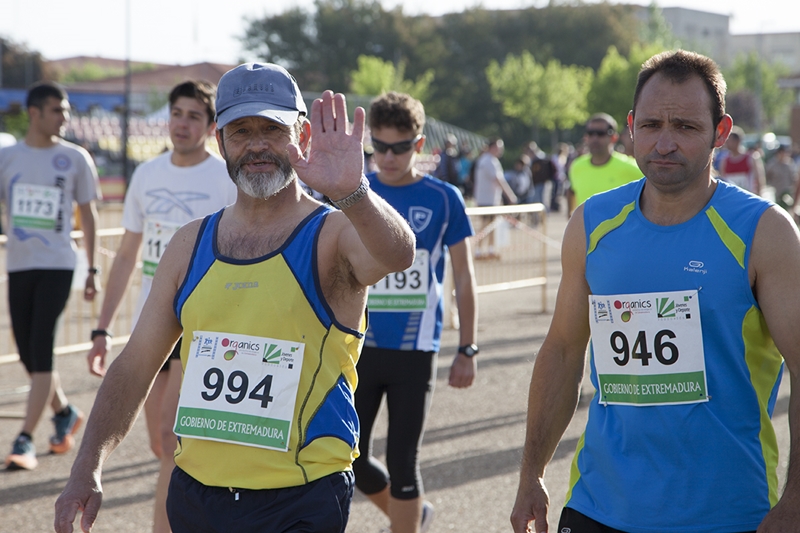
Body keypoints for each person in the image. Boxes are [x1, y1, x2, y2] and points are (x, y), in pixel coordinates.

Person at [55, 62, 416, 533]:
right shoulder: (189, 244)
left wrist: (354, 193)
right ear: (220, 140)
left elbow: (397, 254)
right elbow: (137, 362)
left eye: (273, 128)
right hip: (196, 491)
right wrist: (87, 464)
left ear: (302, 135)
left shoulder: (333, 233)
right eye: (241, 130)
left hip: (300, 494)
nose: (257, 144)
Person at [511, 49, 800, 533]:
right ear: (630, 127)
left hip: (725, 513)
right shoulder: (592, 223)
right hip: (599, 505)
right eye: (650, 126)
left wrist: (795, 500)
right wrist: (530, 473)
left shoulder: (764, 232)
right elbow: (562, 351)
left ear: (720, 132)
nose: (664, 143)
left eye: (685, 127)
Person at [86, 80, 237, 533]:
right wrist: (102, 329)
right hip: (154, 328)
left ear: (211, 127)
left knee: (172, 442)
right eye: (176, 113)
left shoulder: (225, 177)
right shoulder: (147, 175)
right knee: (162, 446)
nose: (182, 123)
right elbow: (128, 256)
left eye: (194, 116)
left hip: (203, 329)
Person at [354, 91, 479, 533]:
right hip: (358, 346)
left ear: (419, 145)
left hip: (414, 349)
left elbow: (463, 276)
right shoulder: (354, 194)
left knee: (403, 462)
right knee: (349, 456)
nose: (388, 157)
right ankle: (413, 516)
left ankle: (406, 520)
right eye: (379, 146)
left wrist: (468, 347)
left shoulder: (444, 198)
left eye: (399, 147)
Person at [0, 81, 101, 471]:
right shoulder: (8, 157)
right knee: (27, 351)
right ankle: (64, 412)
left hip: (59, 264)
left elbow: (89, 215)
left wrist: (91, 269)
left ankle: (24, 438)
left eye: (67, 110)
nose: (66, 117)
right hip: (19, 264)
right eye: (57, 110)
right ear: (34, 113)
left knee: (42, 349)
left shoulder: (75, 158)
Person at [566, 113, 642, 215]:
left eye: (600, 133)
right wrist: (571, 217)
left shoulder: (632, 167)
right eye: (590, 133)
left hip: (622, 230)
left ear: (614, 137)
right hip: (586, 230)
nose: (595, 138)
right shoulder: (577, 166)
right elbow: (571, 191)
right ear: (585, 137)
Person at [472, 137, 516, 259]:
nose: (500, 150)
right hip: (488, 199)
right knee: (486, 225)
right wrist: (510, 195)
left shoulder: (484, 160)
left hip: (486, 198)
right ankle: (479, 250)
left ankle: (488, 249)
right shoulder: (490, 161)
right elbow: (498, 179)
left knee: (490, 225)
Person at [718, 125, 765, 195]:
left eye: (729, 140)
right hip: (731, 197)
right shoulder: (724, 161)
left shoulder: (750, 158)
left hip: (747, 197)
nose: (726, 143)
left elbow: (759, 179)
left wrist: (759, 194)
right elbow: (723, 180)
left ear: (737, 141)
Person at [766, 144, 798, 210]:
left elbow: (794, 178)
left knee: (787, 208)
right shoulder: (772, 164)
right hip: (777, 190)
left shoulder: (789, 164)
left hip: (787, 190)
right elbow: (768, 175)